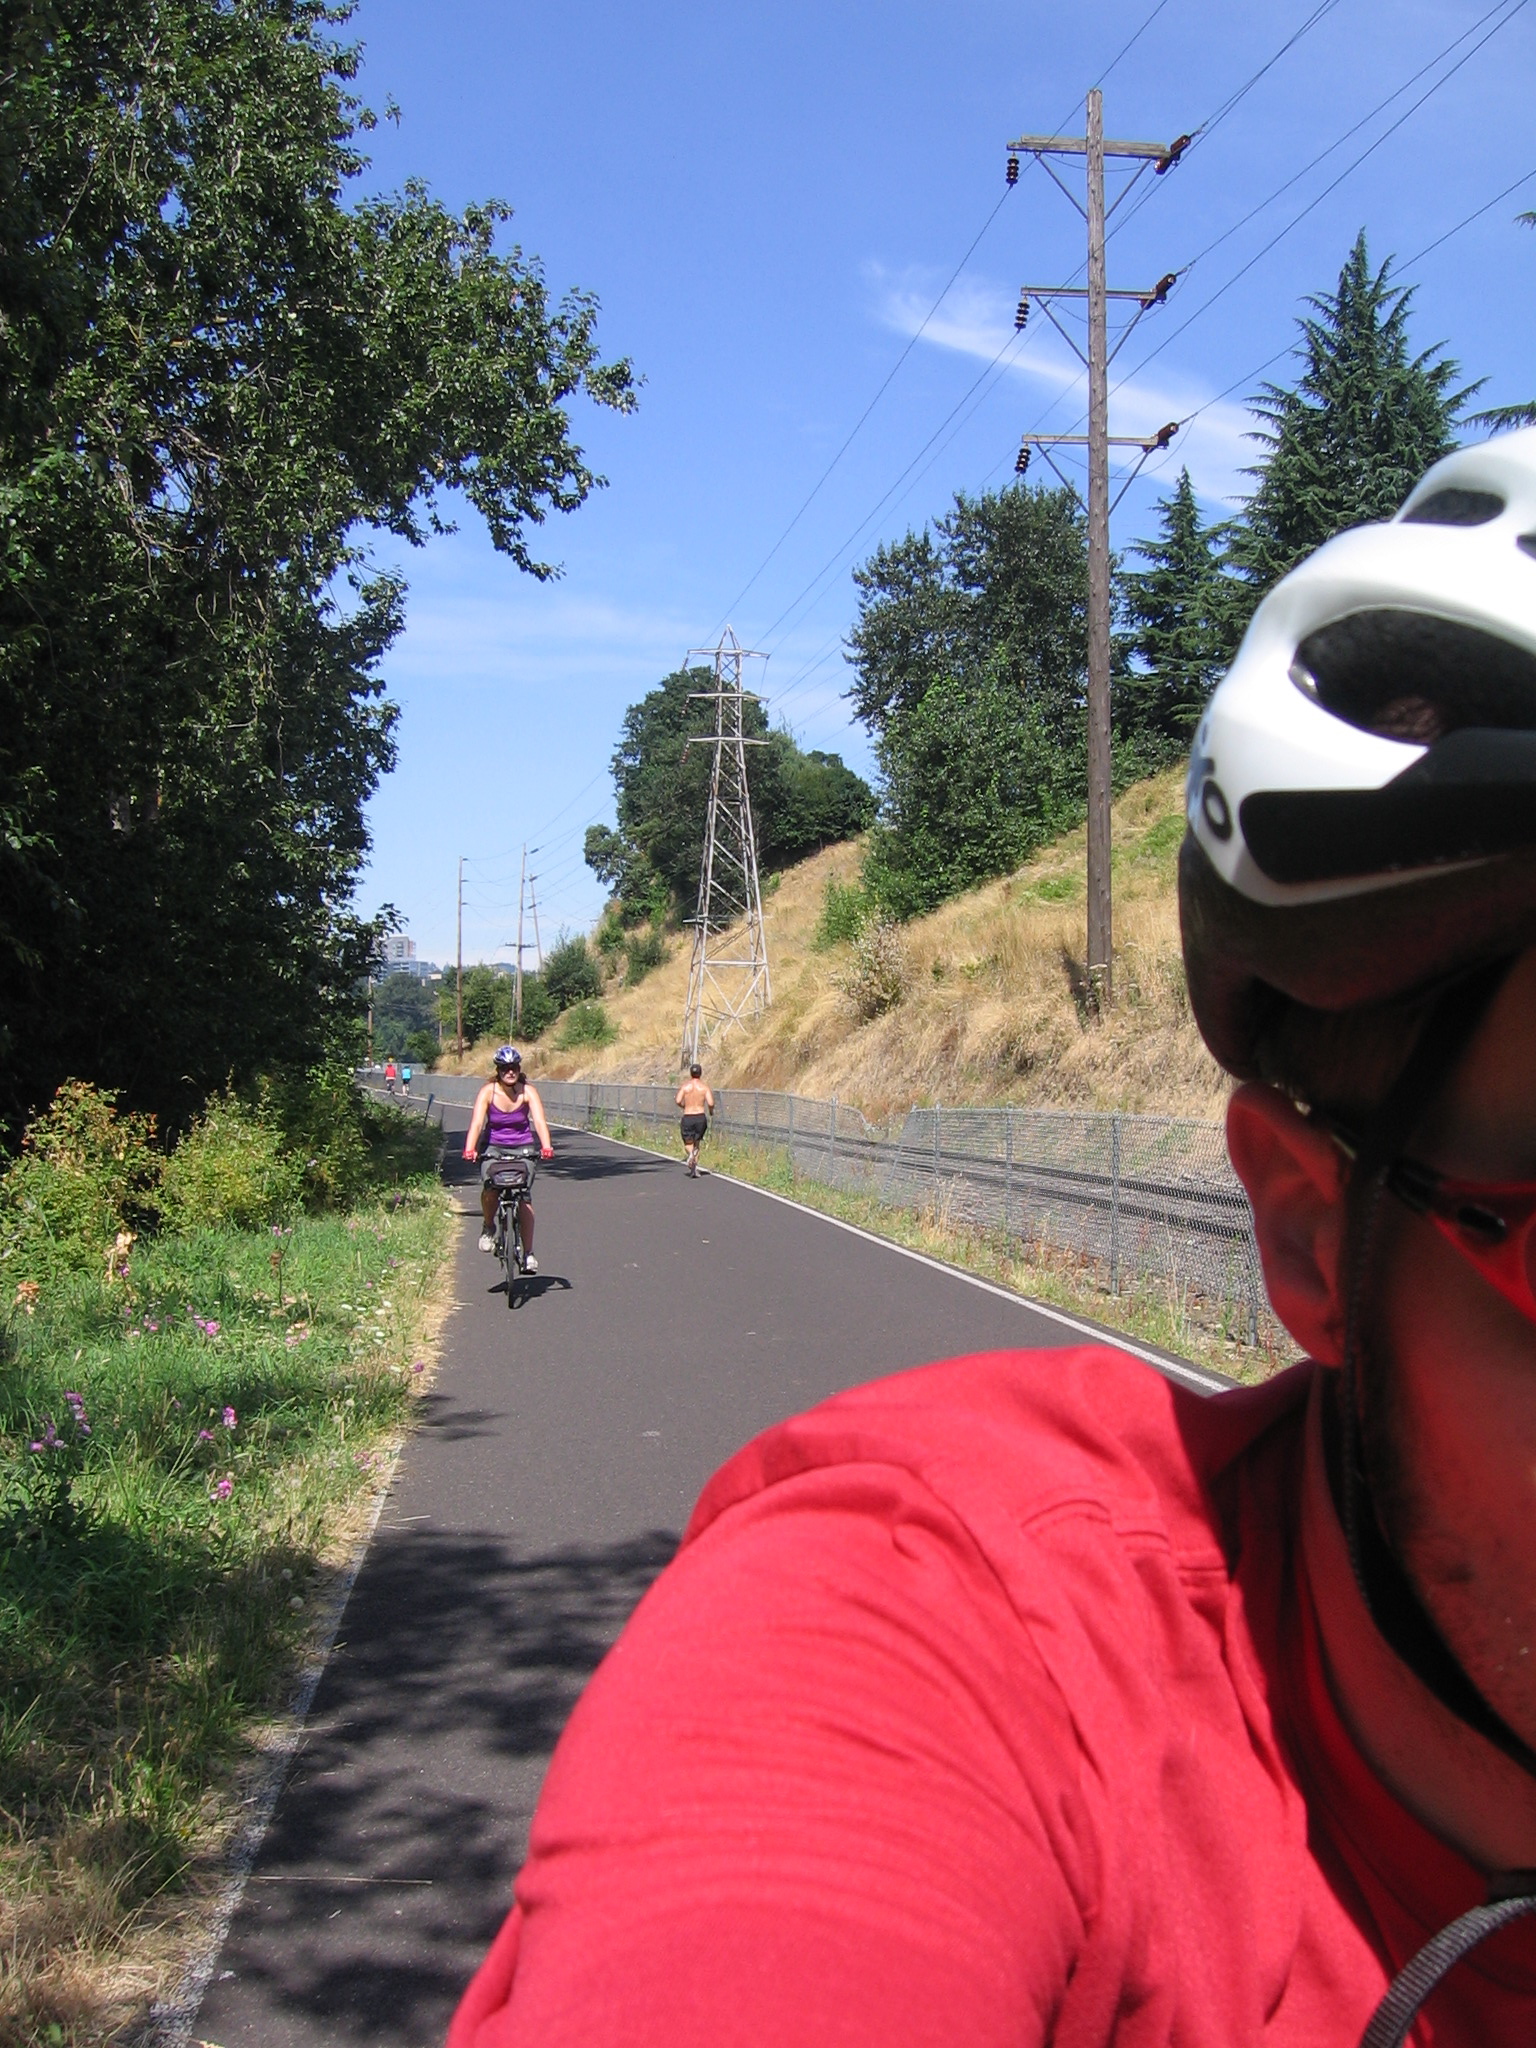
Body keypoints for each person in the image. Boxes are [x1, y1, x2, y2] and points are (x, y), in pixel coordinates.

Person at [447, 431, 1536, 2046]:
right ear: (1311, 1236)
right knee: (515, 1185)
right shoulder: (949, 1631)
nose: (522, 1080)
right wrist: (486, 1141)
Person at [462, 1047, 554, 1271]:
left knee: (524, 1197)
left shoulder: (528, 1092)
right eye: (505, 1068)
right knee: (491, 1188)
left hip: (523, 1149)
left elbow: (539, 1122)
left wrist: (546, 1146)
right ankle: (488, 1226)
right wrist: (470, 1148)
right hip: (493, 1148)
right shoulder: (488, 1092)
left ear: (519, 1070)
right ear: (498, 1070)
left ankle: (529, 1253)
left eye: (514, 1068)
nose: (510, 1072)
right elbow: (476, 1123)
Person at [674, 1062, 714, 1177]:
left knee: (688, 1142)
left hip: (688, 1116)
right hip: (700, 1117)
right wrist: (711, 1111)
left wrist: (684, 1106)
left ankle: (691, 1154)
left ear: (691, 1073)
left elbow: (677, 1100)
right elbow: (711, 1103)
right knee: (697, 1143)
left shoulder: (685, 1087)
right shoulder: (704, 1087)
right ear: (700, 1074)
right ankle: (694, 1168)